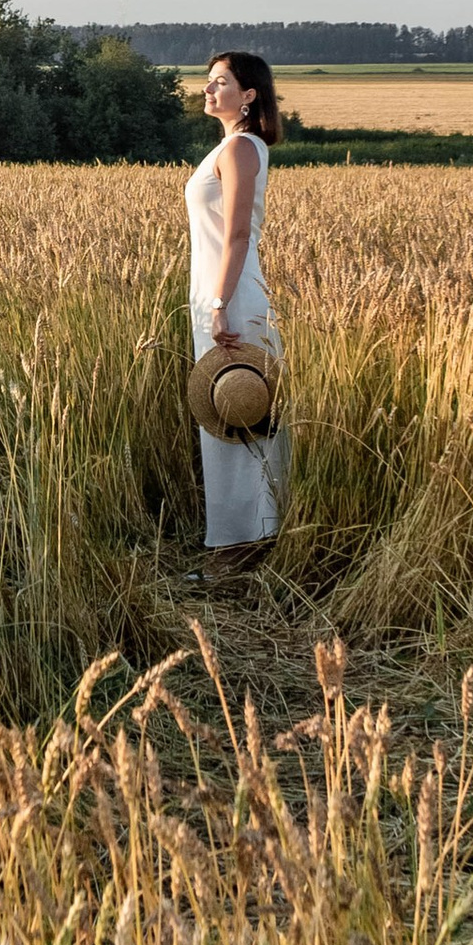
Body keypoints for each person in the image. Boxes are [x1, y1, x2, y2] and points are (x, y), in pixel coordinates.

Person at [185, 50, 287, 571]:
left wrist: (221, 303)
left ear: (248, 96)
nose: (208, 89)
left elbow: (239, 233)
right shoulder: (227, 146)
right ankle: (234, 540)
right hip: (215, 294)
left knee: (242, 412)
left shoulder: (243, 147)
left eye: (220, 82)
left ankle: (247, 545)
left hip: (234, 297)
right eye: (208, 81)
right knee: (225, 418)